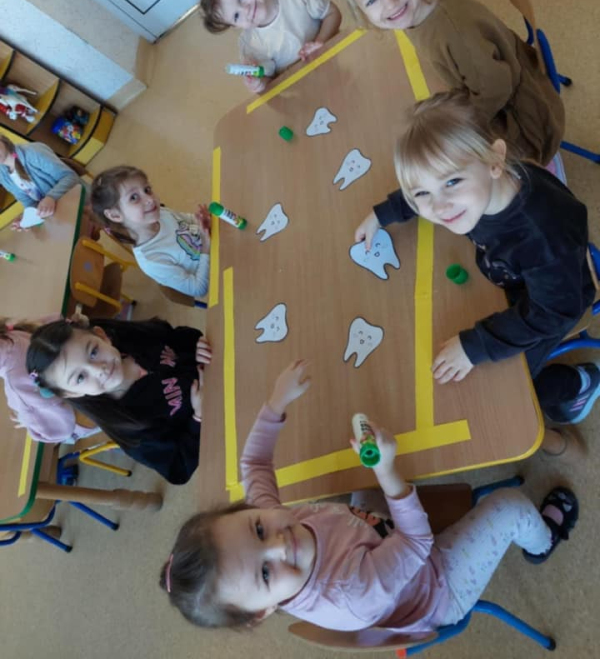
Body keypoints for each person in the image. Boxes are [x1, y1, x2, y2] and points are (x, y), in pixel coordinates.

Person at [160, 360, 578, 630]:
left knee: (363, 477)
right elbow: (417, 542)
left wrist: (275, 403)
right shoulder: (350, 591)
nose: (279, 543)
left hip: (376, 541)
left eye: (257, 529)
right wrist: (387, 473)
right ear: (263, 612)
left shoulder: (270, 520)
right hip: (436, 585)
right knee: (507, 508)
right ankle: (543, 541)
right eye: (266, 574)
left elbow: (253, 465)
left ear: (249, 510)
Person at [354, 91, 598, 431]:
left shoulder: (540, 234)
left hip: (554, 304)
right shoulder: (479, 189)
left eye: (452, 182)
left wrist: (475, 346)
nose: (439, 207)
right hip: (517, 277)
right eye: (422, 193)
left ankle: (578, 384)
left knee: (506, 391)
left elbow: (555, 312)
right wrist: (384, 213)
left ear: (494, 160)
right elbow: (427, 185)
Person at [328, 0, 564, 165]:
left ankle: (542, 175)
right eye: (372, 1)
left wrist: (458, 127)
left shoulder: (453, 32)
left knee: (448, 164)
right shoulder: (419, 9)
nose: (390, 4)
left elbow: (497, 87)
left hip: (526, 123)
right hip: (497, 94)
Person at [26, 317, 212, 484]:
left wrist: (194, 345)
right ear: (72, 393)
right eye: (80, 377)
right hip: (216, 418)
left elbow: (175, 335)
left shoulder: (133, 339)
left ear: (102, 336)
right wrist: (199, 418)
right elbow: (178, 469)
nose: (99, 369)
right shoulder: (130, 427)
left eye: (93, 352)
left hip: (219, 363)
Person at [200, 0, 342, 94]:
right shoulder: (250, 45)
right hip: (302, 92)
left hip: (334, 63)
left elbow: (333, 13)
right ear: (235, 26)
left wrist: (320, 42)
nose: (245, 10)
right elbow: (269, 82)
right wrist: (258, 83)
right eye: (236, 16)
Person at [91, 166, 210, 300]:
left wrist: (201, 220)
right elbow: (198, 288)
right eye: (134, 197)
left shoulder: (160, 213)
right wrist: (206, 247)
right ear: (115, 215)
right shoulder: (151, 259)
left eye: (147, 190)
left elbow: (187, 220)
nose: (149, 199)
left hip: (215, 245)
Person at [0, 317, 98, 443]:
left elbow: (59, 431)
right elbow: (58, 320)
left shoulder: (16, 383)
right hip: (94, 373)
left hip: (93, 406)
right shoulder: (12, 333)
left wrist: (27, 419)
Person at [0, 135, 80, 228]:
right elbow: (28, 202)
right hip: (57, 213)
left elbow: (70, 176)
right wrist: (26, 218)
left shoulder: (33, 152)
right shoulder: (2, 175)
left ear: (2, 138)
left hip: (77, 200)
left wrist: (51, 197)